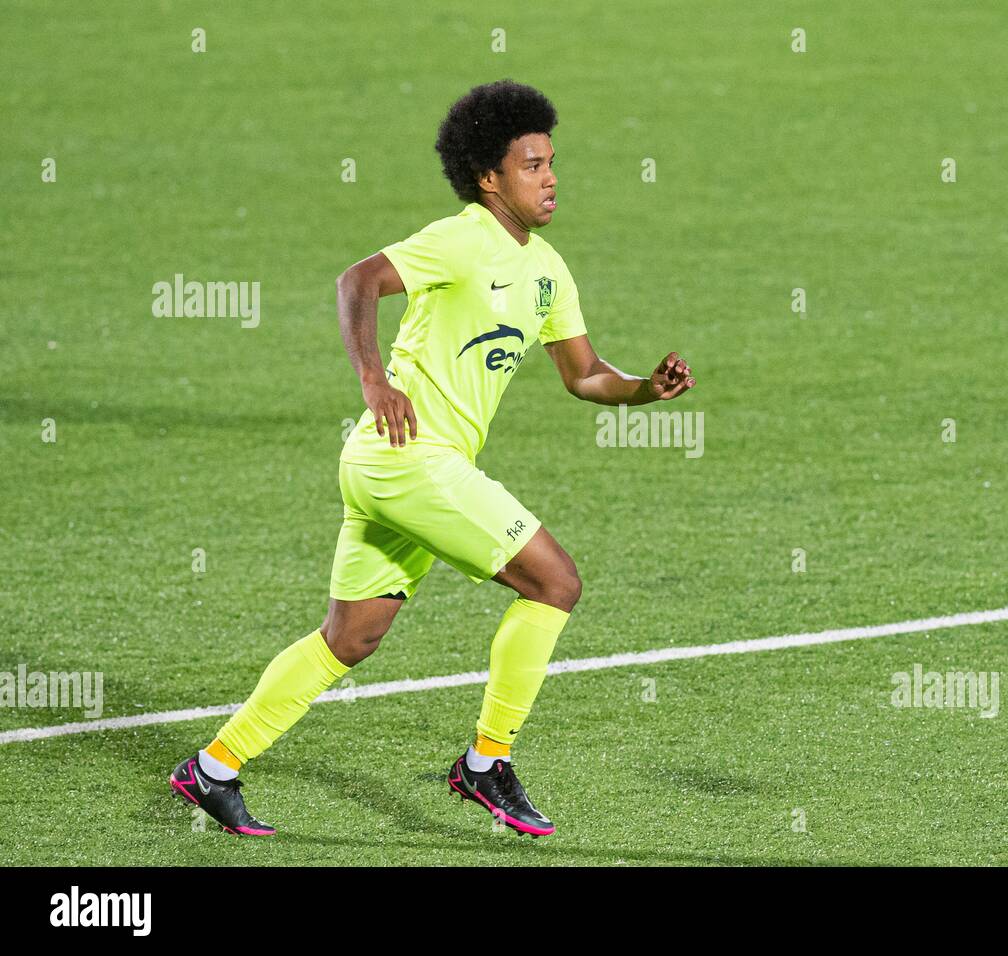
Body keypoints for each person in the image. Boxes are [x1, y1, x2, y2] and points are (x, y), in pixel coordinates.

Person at [169, 79, 695, 838]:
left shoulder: (547, 268)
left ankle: (213, 768)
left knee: (351, 637)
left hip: (394, 468)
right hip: (410, 458)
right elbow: (359, 280)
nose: (550, 178)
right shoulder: (461, 238)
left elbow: (583, 374)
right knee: (554, 582)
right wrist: (373, 378)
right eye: (532, 165)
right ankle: (486, 763)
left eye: (552, 163)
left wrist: (648, 388)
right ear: (489, 177)